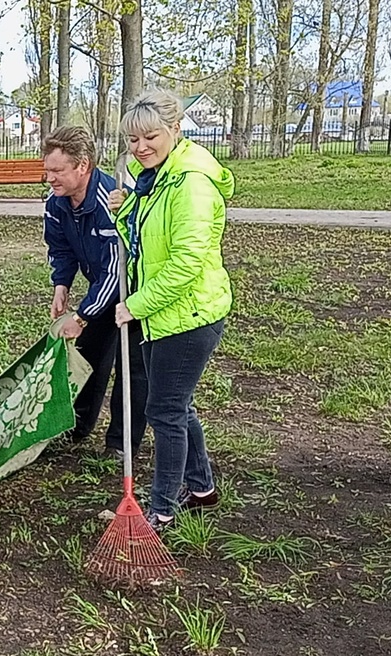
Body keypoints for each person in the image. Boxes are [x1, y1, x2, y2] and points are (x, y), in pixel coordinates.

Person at [107, 89, 235, 531]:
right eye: (132, 141)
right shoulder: (157, 177)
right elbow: (142, 244)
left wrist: (134, 306)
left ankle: (162, 509)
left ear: (175, 131)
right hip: (165, 313)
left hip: (189, 314)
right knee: (177, 407)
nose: (140, 148)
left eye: (150, 137)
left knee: (164, 412)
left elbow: (185, 264)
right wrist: (125, 210)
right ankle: (201, 488)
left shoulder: (191, 183)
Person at [42, 126, 148, 457]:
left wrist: (84, 315)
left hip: (139, 292)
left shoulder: (111, 201)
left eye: (57, 171)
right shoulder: (56, 203)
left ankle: (120, 443)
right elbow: (60, 247)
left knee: (133, 368)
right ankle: (78, 425)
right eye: (47, 171)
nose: (50, 179)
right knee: (89, 356)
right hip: (103, 287)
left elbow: (115, 271)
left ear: (83, 165)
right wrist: (62, 284)